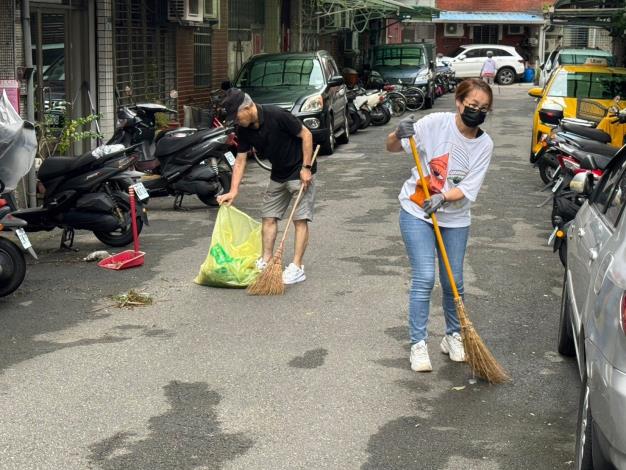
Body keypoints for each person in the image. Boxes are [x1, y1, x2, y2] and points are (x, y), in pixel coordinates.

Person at [385, 78, 494, 372]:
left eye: (483, 108)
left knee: (453, 281)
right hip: (417, 210)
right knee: (424, 278)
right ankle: (418, 344)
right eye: (472, 105)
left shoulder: (484, 145)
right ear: (459, 102)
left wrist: (443, 197)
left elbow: (468, 188)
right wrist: (397, 132)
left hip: (455, 217)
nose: (477, 112)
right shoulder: (435, 123)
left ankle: (453, 335)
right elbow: (392, 147)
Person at [216, 88, 315, 285]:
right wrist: (233, 190)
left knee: (299, 219)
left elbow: (307, 134)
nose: (235, 121)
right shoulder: (243, 129)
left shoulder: (277, 115)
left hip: (299, 171)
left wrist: (306, 167)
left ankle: (297, 266)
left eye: (236, 115)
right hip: (277, 174)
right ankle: (266, 260)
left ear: (248, 107)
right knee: (268, 217)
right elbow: (240, 160)